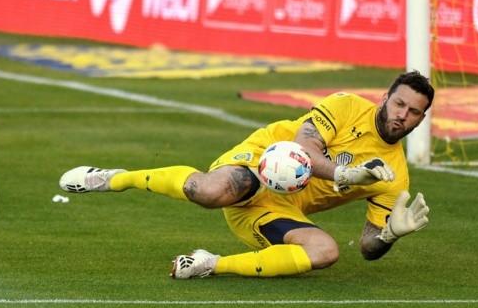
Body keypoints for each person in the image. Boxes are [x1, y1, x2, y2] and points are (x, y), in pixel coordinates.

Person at [59, 71, 433, 280]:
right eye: (399, 103)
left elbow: (367, 250)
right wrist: (347, 174)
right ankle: (115, 178)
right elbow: (303, 148)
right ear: (385, 97)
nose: (403, 114)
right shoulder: (346, 105)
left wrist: (387, 235)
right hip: (264, 161)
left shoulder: (394, 176)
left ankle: (210, 263)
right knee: (209, 191)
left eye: (414, 112)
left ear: (421, 118)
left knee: (326, 252)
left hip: (280, 209)